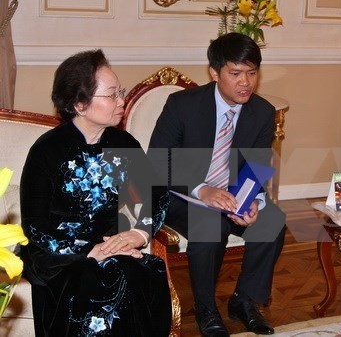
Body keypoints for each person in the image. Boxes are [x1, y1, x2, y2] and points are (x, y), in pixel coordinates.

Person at [20, 49, 172, 336]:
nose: (122, 101)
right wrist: (88, 252)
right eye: (112, 94)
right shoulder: (48, 150)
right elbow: (35, 227)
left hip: (112, 243)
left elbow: (155, 195)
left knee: (141, 271)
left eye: (121, 92)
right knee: (101, 275)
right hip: (57, 254)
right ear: (80, 103)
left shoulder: (122, 143)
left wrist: (138, 234)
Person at [148, 32, 286, 337]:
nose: (245, 82)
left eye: (252, 73)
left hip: (229, 195)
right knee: (210, 224)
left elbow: (255, 165)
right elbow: (158, 162)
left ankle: (244, 301)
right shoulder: (183, 105)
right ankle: (206, 310)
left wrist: (251, 202)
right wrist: (202, 190)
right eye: (235, 73)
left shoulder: (262, 112)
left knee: (273, 220)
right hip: (178, 195)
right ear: (214, 72)